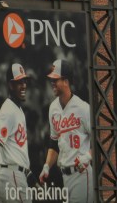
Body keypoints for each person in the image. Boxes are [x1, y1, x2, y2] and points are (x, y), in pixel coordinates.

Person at [39, 59, 94, 202]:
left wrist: (88, 156)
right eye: (51, 79)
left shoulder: (83, 108)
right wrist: (47, 165)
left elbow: (100, 139)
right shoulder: (53, 108)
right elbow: (54, 142)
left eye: (55, 79)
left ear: (66, 81)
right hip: (64, 177)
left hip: (81, 176)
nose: (52, 83)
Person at [0, 62, 32, 202]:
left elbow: (16, 151)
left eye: (24, 81)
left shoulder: (18, 109)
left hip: (16, 174)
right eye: (19, 82)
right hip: (11, 175)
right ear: (10, 85)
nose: (24, 86)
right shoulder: (9, 110)